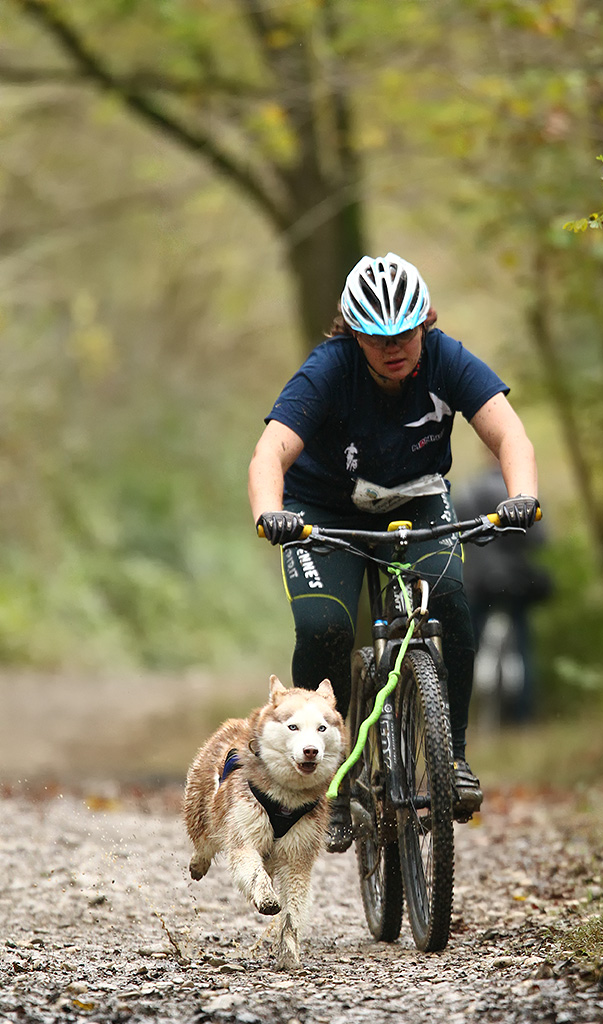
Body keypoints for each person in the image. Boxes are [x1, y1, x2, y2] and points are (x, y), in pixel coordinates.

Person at [248, 252, 539, 852]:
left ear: (424, 323)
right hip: (324, 512)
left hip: (416, 500)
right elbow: (269, 453)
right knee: (326, 627)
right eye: (377, 338)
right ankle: (333, 778)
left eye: (405, 332)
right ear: (354, 334)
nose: (393, 347)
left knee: (453, 600)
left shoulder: (446, 359)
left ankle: (452, 755)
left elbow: (509, 432)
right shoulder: (327, 371)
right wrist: (268, 512)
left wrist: (523, 496)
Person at [457, 459, 554, 724]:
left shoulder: (468, 490)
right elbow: (540, 539)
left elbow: (458, 534)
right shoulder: (522, 497)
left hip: (478, 583)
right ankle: (523, 714)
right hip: (514, 583)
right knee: (522, 644)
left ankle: (464, 712)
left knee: (470, 645)